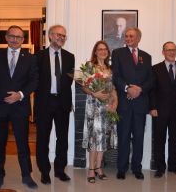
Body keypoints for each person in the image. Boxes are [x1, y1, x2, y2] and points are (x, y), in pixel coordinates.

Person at [0, 25, 38, 190]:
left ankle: (26, 176)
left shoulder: (31, 58)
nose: (15, 39)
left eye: (18, 37)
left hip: (20, 106)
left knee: (22, 143)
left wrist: (20, 94)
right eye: (12, 36)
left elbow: (34, 81)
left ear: (23, 40)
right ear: (6, 37)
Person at [34, 25, 75, 184]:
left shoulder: (70, 56)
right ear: (50, 36)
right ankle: (44, 171)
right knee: (42, 138)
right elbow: (35, 80)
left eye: (64, 36)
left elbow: (69, 80)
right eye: (58, 34)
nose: (61, 38)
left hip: (62, 103)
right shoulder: (38, 56)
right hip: (44, 102)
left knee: (63, 139)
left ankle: (60, 170)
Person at [111, 27, 153, 180]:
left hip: (140, 104)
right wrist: (128, 88)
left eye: (131, 36)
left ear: (138, 38)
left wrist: (140, 89)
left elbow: (151, 79)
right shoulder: (117, 53)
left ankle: (137, 168)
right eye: (126, 36)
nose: (127, 38)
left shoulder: (147, 57)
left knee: (139, 138)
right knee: (123, 137)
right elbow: (115, 76)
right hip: (124, 103)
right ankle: (121, 168)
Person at [149, 42, 176, 178]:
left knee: (175, 139)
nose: (171, 52)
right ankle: (160, 167)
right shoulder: (155, 69)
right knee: (159, 139)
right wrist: (152, 107)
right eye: (168, 50)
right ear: (163, 52)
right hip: (159, 111)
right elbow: (152, 91)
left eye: (174, 50)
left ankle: (173, 165)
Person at [82, 41, 118, 183]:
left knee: (103, 137)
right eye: (100, 49)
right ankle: (91, 169)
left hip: (107, 107)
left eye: (105, 49)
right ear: (95, 52)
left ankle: (99, 167)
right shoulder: (90, 66)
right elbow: (84, 87)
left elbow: (113, 88)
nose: (103, 51)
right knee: (94, 138)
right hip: (94, 106)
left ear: (108, 52)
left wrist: (115, 103)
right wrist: (94, 94)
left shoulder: (110, 69)